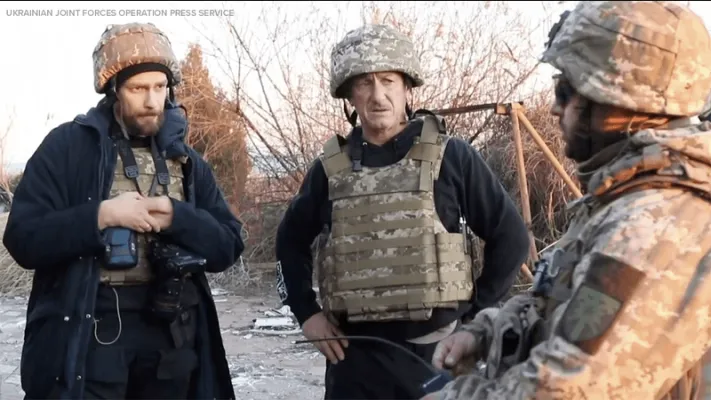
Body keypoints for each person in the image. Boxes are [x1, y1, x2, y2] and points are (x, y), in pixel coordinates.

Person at [423, 1, 711, 399]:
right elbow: (566, 304)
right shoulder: (624, 198)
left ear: (617, 101)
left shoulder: (656, 221)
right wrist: (485, 333)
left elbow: (568, 388)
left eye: (566, 91)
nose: (555, 107)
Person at [275, 23, 531, 399]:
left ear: (407, 88)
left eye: (388, 81)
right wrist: (306, 313)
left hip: (435, 355)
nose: (378, 95)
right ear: (349, 94)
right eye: (365, 83)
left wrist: (474, 319)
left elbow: (512, 238)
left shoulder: (452, 157)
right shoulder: (329, 170)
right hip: (354, 360)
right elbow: (289, 241)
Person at [3, 22, 244, 400]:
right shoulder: (68, 148)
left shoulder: (186, 161)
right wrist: (101, 216)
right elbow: (22, 238)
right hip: (92, 341)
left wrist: (178, 217)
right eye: (138, 89)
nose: (152, 101)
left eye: (160, 87)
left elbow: (228, 245)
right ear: (114, 89)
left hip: (172, 339)